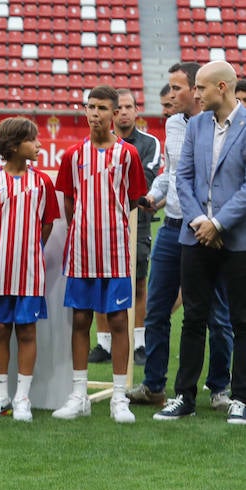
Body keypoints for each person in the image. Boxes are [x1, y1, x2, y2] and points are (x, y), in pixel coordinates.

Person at [132, 62, 234, 408]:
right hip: (174, 225)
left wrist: (211, 224)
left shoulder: (221, 125)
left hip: (211, 232)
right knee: (158, 310)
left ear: (196, 90)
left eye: (176, 88)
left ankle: (219, 386)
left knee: (216, 316)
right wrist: (154, 194)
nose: (170, 94)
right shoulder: (174, 124)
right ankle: (154, 385)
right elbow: (172, 173)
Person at [155, 60, 246, 424]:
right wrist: (199, 222)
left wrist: (219, 224)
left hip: (236, 239)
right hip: (194, 236)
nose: (195, 94)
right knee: (193, 318)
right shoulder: (194, 127)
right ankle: (184, 396)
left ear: (221, 88)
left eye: (201, 88)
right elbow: (184, 178)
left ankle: (239, 397)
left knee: (241, 320)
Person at [52, 85, 147, 422]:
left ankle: (118, 397)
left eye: (102, 108)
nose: (94, 114)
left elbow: (134, 198)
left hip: (117, 250)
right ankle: (80, 395)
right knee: (80, 319)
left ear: (113, 113)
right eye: (90, 107)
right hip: (81, 250)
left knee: (119, 320)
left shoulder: (128, 155)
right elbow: (68, 202)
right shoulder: (72, 155)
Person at [0, 118, 59, 422]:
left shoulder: (42, 182)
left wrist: (30, 249)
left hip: (30, 273)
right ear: (13, 146)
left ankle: (22, 398)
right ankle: (0, 395)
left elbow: (47, 224)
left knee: (27, 330)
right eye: (33, 140)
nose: (39, 145)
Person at [95, 89, 160, 364]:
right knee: (100, 280)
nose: (123, 112)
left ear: (136, 111)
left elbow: (143, 182)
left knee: (138, 283)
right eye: (118, 107)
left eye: (128, 107)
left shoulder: (149, 143)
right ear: (112, 112)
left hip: (138, 222)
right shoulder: (96, 142)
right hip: (101, 222)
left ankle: (139, 343)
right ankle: (103, 344)